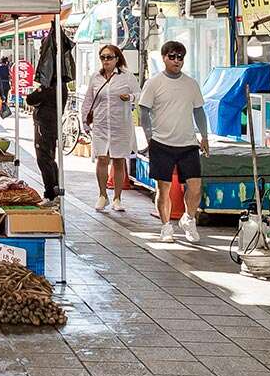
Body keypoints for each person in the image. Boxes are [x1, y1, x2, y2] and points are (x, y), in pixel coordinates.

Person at [139, 40, 210, 239]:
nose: (176, 61)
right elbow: (143, 111)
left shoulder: (191, 84)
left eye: (180, 57)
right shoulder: (154, 83)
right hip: (161, 143)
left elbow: (199, 111)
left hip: (188, 143)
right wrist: (149, 136)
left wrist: (204, 136)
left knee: (195, 186)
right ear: (164, 58)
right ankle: (166, 226)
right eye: (172, 56)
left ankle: (189, 218)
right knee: (164, 188)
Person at [83, 44, 140, 211]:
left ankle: (117, 198)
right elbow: (88, 100)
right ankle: (102, 195)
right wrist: (85, 121)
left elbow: (139, 94)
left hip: (120, 124)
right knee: (102, 158)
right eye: (103, 57)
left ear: (117, 59)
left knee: (118, 160)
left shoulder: (127, 77)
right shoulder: (96, 77)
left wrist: (129, 97)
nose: (106, 60)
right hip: (101, 124)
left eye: (109, 57)